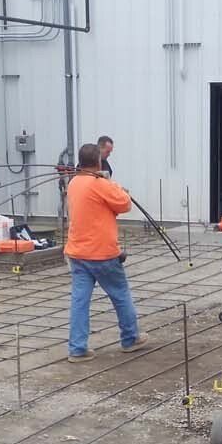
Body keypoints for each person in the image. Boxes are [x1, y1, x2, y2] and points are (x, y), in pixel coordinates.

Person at [64, 142, 144, 363]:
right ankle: (130, 339)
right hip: (102, 253)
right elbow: (124, 204)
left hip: (77, 252)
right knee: (120, 294)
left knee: (79, 301)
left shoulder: (73, 183)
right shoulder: (100, 184)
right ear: (98, 161)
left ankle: (77, 348)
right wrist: (117, 188)